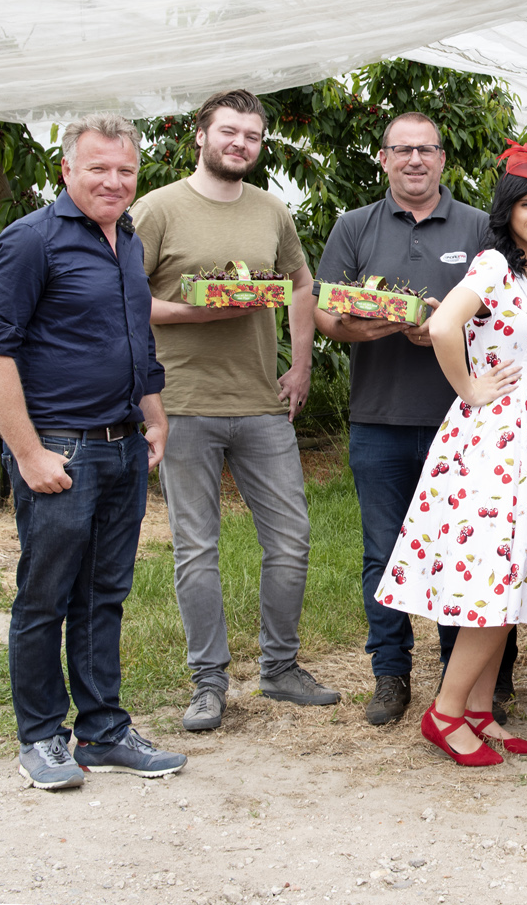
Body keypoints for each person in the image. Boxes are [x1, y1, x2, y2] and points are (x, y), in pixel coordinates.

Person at [0, 113, 185, 788]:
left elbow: (135, 337)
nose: (113, 181)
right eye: (98, 168)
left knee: (104, 596)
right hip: (61, 450)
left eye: (125, 170)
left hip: (122, 449)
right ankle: (40, 735)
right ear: (67, 170)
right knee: (46, 598)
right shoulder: (30, 241)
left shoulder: (127, 238)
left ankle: (102, 730)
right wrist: (31, 454)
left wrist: (153, 413)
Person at [132, 89, 336, 732]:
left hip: (259, 402)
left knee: (291, 539)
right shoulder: (157, 209)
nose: (239, 143)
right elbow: (124, 298)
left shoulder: (272, 211)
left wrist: (300, 363)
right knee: (196, 547)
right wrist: (204, 309)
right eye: (228, 131)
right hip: (184, 402)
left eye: (251, 135)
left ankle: (278, 667)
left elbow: (300, 284)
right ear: (201, 135)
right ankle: (209, 681)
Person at [370, 142, 527, 765]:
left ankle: (481, 711)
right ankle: (445, 712)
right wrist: (469, 387)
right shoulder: (492, 265)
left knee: (512, 580)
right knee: (492, 581)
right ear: (506, 210)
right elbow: (440, 326)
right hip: (494, 442)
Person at [314, 112, 493, 725]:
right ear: (384, 159)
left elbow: (504, 313)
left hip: (464, 421)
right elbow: (328, 316)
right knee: (382, 551)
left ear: (444, 159)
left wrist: (446, 327)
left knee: (460, 551)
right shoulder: (353, 226)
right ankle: (390, 674)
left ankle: (457, 676)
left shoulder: (478, 226)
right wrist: (396, 319)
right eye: (402, 150)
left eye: (427, 150)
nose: (415, 160)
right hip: (378, 418)